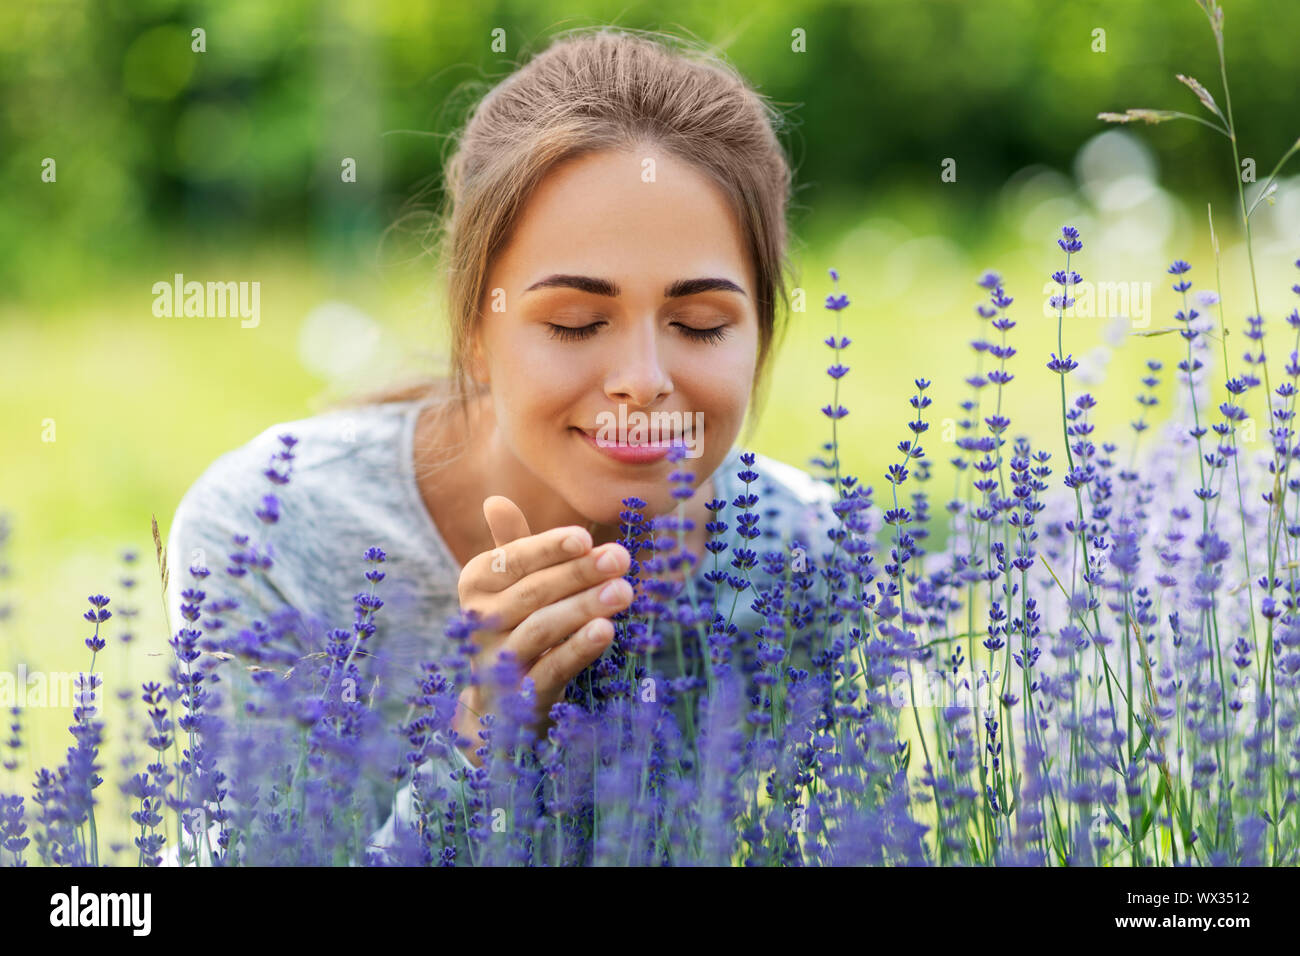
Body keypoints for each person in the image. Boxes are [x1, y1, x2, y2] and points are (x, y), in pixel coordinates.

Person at [165, 26, 843, 863]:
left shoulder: (806, 550)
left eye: (700, 326)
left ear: (764, 337)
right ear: (474, 329)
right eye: (575, 322)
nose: (643, 378)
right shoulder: (270, 532)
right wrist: (477, 745)